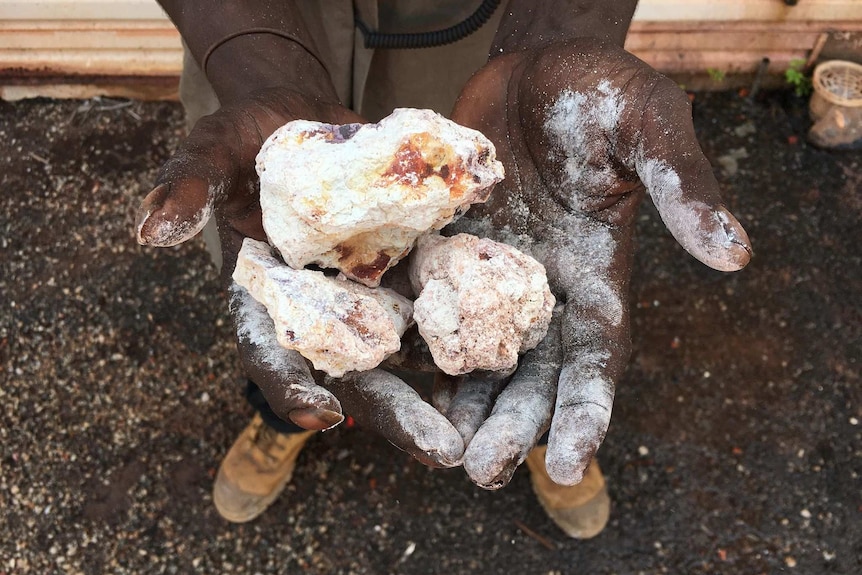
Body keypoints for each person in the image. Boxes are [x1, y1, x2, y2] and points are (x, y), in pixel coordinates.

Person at [136, 0, 752, 539]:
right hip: (254, 29)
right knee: (278, 301)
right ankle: (280, 419)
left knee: (541, 343)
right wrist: (256, 62)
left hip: (478, 45)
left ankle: (533, 438)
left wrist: (555, 38)